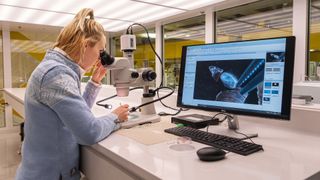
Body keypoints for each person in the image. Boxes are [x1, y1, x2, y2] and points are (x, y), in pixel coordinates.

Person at [15, 8, 129, 180]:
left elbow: (76, 114)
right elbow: (88, 132)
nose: (101, 58)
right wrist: (115, 117)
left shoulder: (58, 68)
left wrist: (94, 82)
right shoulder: (56, 75)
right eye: (100, 51)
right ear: (84, 45)